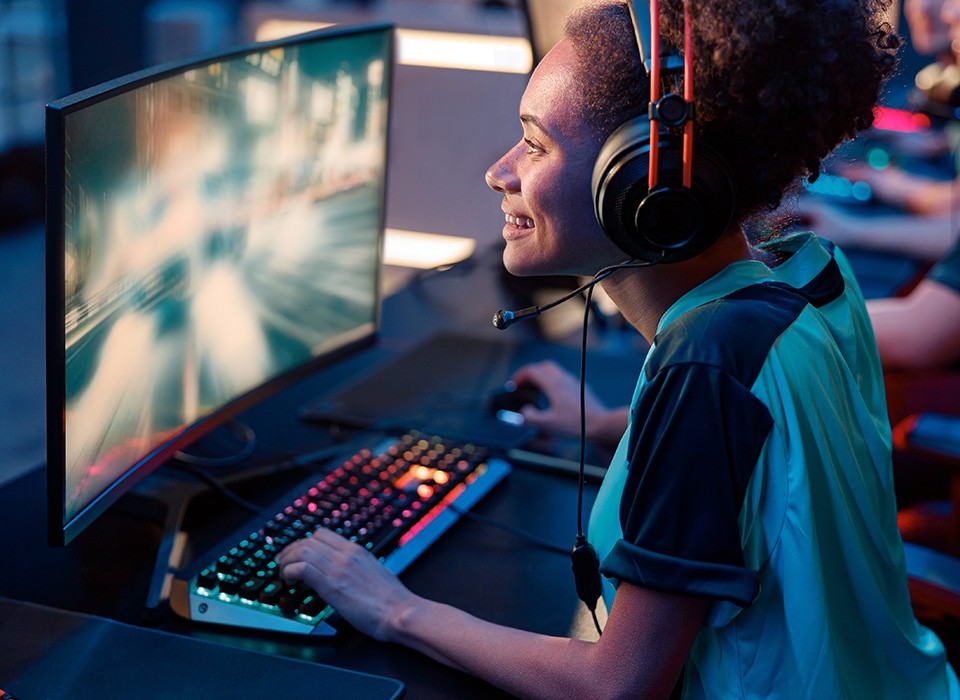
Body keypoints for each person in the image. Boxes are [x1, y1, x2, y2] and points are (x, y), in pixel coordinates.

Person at [276, 1, 959, 697]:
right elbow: (779, 459)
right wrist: (620, 427)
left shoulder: (707, 367)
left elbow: (619, 685)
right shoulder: (810, 277)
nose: (499, 172)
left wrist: (395, 609)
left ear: (640, 184)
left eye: (535, 144)